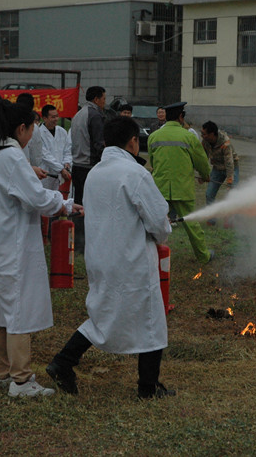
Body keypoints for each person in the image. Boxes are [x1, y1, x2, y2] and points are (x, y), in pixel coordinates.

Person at [47, 116, 174, 399]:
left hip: (101, 256)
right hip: (132, 259)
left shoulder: (96, 173)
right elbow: (158, 222)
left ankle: (63, 362)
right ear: (133, 142)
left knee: (102, 316)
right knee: (151, 320)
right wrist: (163, 231)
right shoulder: (136, 174)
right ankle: (147, 388)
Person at [0, 99, 81, 398]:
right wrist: (65, 204)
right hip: (11, 246)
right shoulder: (11, 156)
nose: (33, 134)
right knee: (17, 309)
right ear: (21, 128)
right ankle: (21, 381)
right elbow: (37, 198)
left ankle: (2, 374)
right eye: (32, 128)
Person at [147, 102, 213, 264]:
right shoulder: (188, 137)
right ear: (181, 117)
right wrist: (205, 175)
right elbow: (201, 161)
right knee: (192, 225)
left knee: (154, 223)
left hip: (160, 188)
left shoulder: (154, 136)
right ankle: (203, 256)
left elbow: (153, 162)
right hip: (182, 189)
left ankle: (149, 256)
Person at [70, 85, 106, 252]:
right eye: (103, 98)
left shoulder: (78, 114)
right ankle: (89, 242)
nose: (104, 102)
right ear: (96, 99)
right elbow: (99, 144)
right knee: (92, 205)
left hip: (77, 165)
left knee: (79, 205)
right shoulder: (95, 115)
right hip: (89, 166)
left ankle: (78, 242)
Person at [201, 120, 240, 206]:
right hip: (217, 168)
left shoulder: (225, 143)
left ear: (212, 134)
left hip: (231, 168)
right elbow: (203, 158)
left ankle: (233, 214)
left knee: (232, 194)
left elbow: (229, 163)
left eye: (204, 134)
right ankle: (211, 215)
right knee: (209, 194)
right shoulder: (205, 141)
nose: (202, 136)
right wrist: (203, 175)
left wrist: (230, 182)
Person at [38, 104, 72, 191]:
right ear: (45, 118)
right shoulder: (39, 133)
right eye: (53, 117)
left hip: (60, 175)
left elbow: (67, 150)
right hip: (46, 174)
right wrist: (60, 169)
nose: (56, 119)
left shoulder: (62, 131)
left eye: (57, 116)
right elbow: (45, 155)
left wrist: (67, 163)